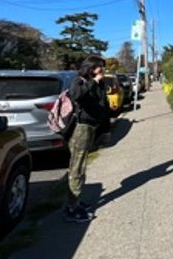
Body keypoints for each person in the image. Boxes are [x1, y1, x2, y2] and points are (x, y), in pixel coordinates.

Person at [64, 55, 109, 222]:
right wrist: (94, 82)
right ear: (92, 69)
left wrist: (105, 130)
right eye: (100, 68)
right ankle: (71, 208)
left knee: (81, 166)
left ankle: (76, 200)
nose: (103, 71)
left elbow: (102, 107)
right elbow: (77, 95)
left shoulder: (99, 84)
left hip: (91, 128)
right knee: (77, 167)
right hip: (80, 129)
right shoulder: (80, 81)